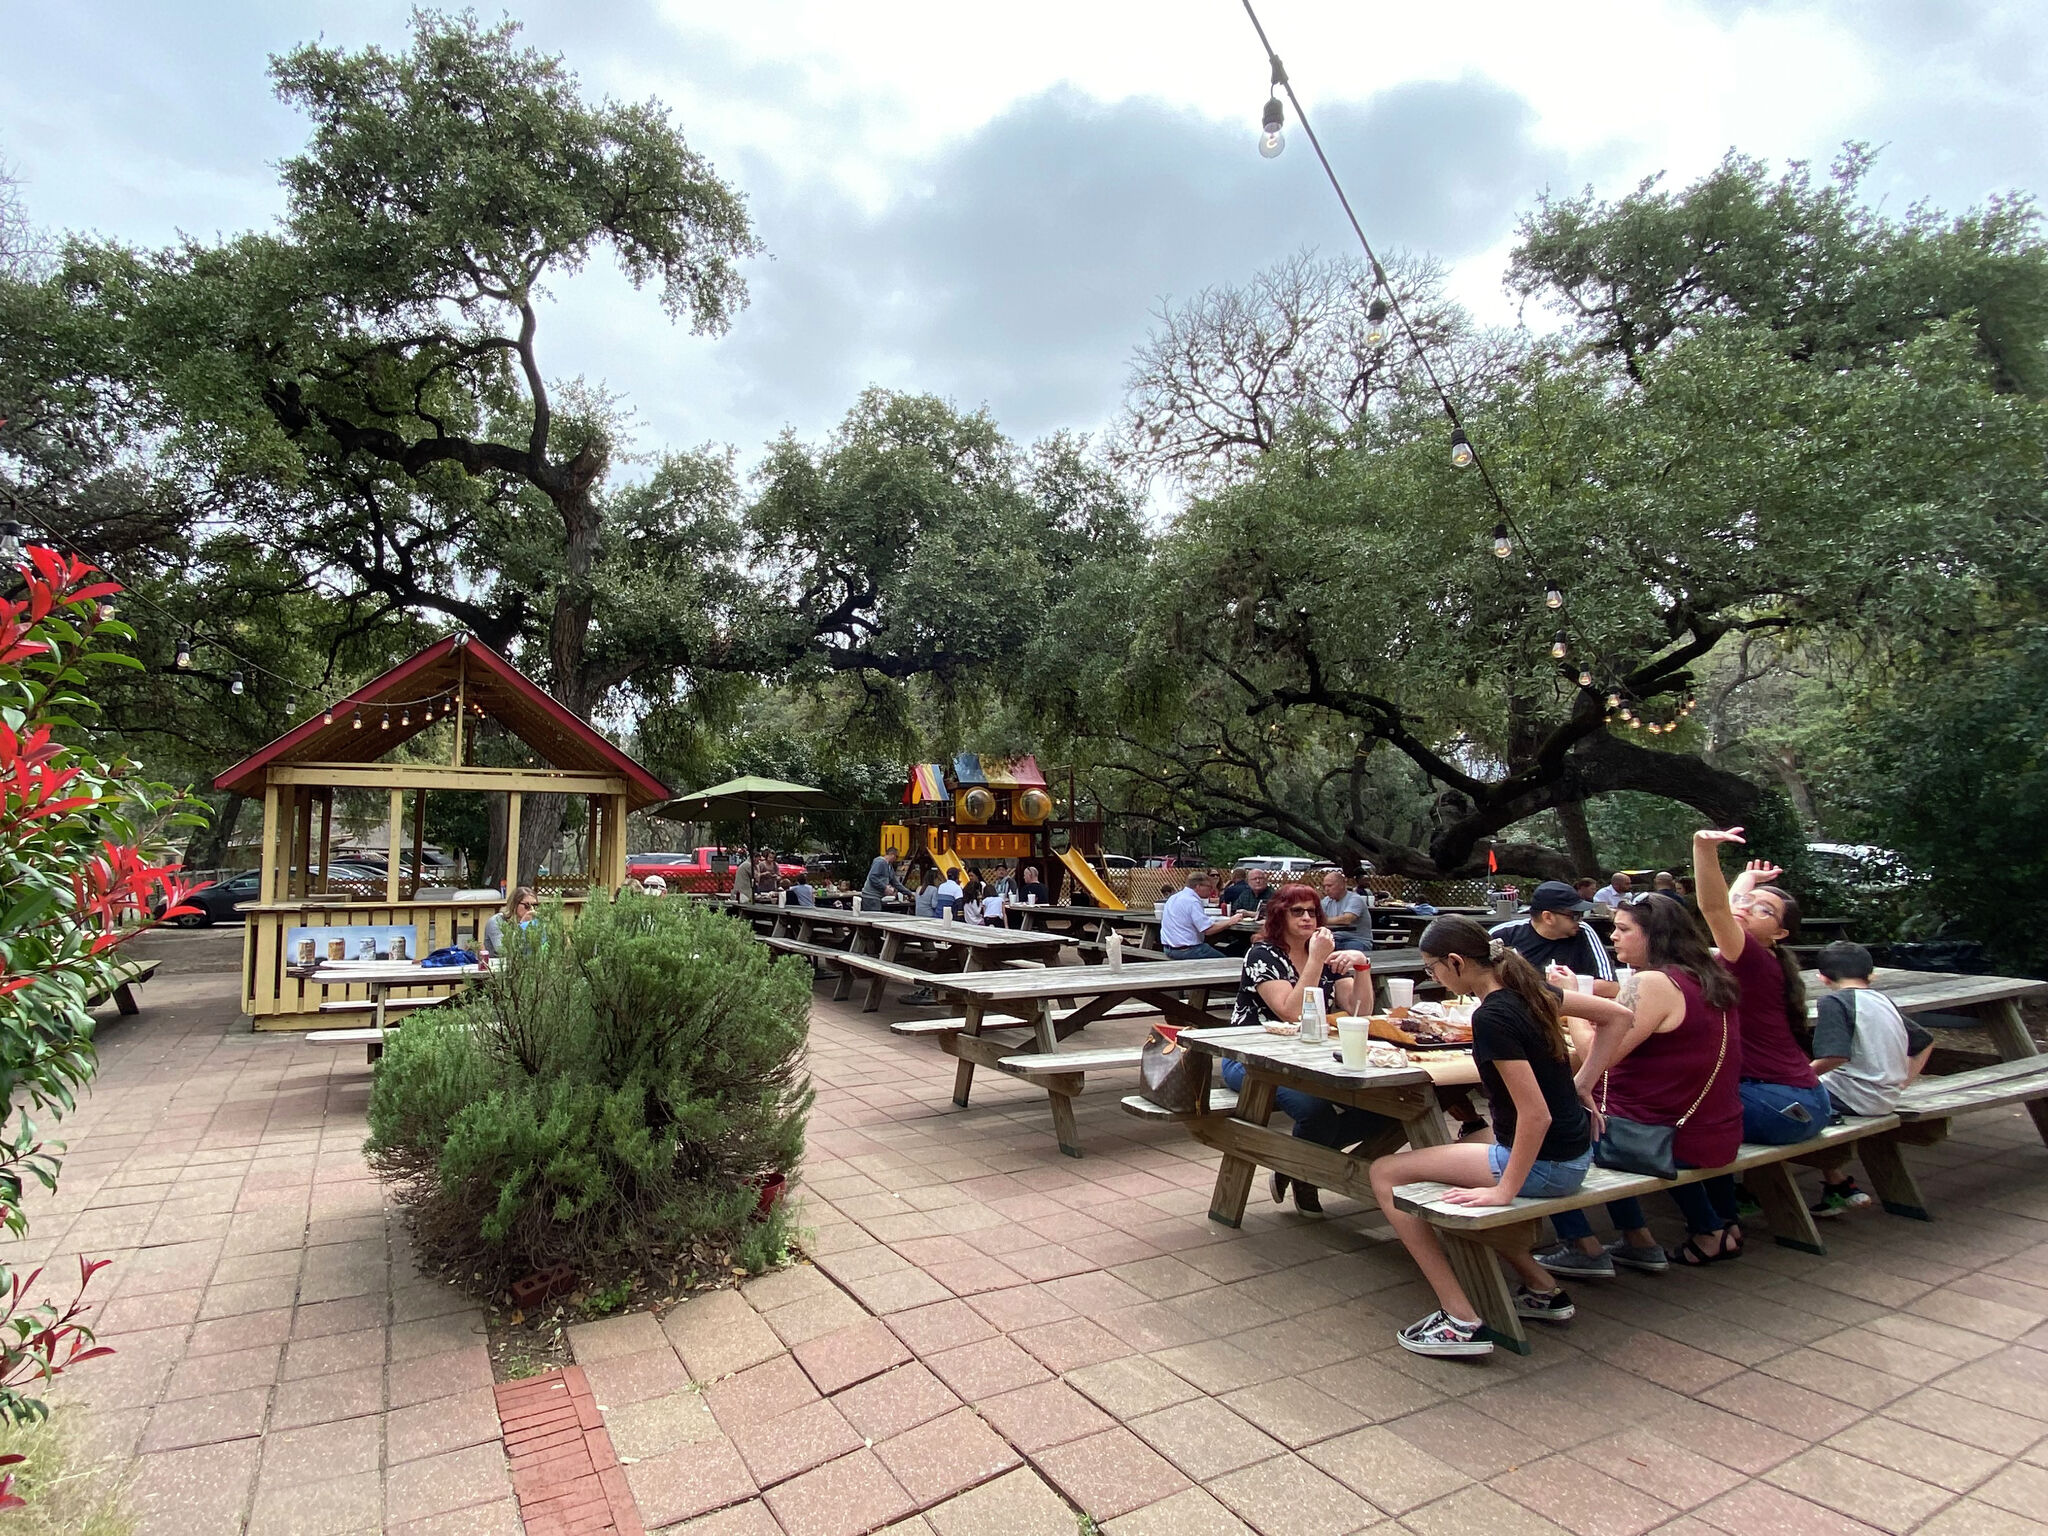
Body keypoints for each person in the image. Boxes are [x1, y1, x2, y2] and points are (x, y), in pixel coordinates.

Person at [1369, 916, 1634, 1357]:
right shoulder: (1533, 992)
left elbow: (1535, 1116)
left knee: (1385, 1173)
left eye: (1432, 969)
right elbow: (1618, 1016)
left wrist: (1504, 1189)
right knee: (1457, 1157)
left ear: (1456, 962)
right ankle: (1541, 1288)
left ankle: (1460, 1319)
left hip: (1547, 1166)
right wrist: (1583, 1084)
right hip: (1573, 1154)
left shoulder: (1492, 1016)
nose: (1431, 978)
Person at [1535, 893, 1745, 1276]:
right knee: (1600, 1111)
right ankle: (1656, 1237)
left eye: (1623, 929)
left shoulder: (1653, 982)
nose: (1613, 936)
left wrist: (1577, 1006)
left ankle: (1583, 1245)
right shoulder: (1709, 975)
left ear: (1655, 935)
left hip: (1665, 1138)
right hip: (1714, 1129)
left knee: (1543, 1127)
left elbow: (1596, 1058)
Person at [1216, 884, 1380, 1214]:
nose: (1307, 917)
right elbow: (1290, 1011)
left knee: (1382, 1111)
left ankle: (1296, 1165)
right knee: (1314, 1110)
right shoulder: (1263, 955)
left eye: (1312, 911)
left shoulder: (1329, 956)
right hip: (1252, 1057)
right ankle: (1306, 1175)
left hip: (1311, 1057)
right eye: (1297, 911)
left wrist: (1361, 967)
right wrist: (1316, 960)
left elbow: (1360, 1012)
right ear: (1280, 915)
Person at [1693, 830, 1833, 1151]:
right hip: (1797, 1099)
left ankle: (1731, 1197)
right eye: (1747, 902)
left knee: (1662, 1098)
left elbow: (1716, 909)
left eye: (1765, 910)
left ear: (1780, 933)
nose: (1747, 908)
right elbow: (1731, 907)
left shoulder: (1750, 958)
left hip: (1782, 1105)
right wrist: (1746, 879)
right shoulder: (1752, 954)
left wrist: (1703, 848)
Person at [1805, 941, 1935, 1215]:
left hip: (1852, 1097)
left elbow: (1835, 1056)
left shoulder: (1833, 1000)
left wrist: (1798, 1077)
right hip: (1884, 1098)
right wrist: (1902, 1082)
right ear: (1871, 975)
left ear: (1823, 978)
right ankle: (1836, 1184)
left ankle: (1753, 1191)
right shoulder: (1883, 1000)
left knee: (1776, 1101)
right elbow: (1925, 1042)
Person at [1490, 881, 1618, 995]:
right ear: (1548, 917)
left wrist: (1567, 986)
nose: (1580, 920)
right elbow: (1480, 979)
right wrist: (1550, 987)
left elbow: (1611, 986)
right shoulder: (1503, 935)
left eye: (1582, 914)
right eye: (1575, 915)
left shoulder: (1584, 931)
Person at [1159, 871, 1248, 959]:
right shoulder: (1192, 901)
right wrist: (1230, 921)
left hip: (1168, 948)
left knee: (1214, 948)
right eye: (1209, 887)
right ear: (1198, 886)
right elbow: (1208, 930)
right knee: (1229, 963)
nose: (1211, 890)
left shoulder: (1174, 897)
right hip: (1186, 950)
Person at [1319, 868, 1373, 952]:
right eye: (1324, 886)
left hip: (1356, 940)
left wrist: (1323, 920)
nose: (1326, 889)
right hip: (1334, 939)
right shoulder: (1326, 901)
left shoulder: (1355, 899)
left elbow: (1347, 919)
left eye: (1329, 886)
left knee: (1349, 954)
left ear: (1342, 885)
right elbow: (1317, 916)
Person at [483, 886, 537, 954]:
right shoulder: (496, 921)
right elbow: (503, 950)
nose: (531, 909)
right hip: (498, 962)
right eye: (527, 905)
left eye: (535, 905)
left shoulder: (535, 922)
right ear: (515, 904)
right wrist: (522, 926)